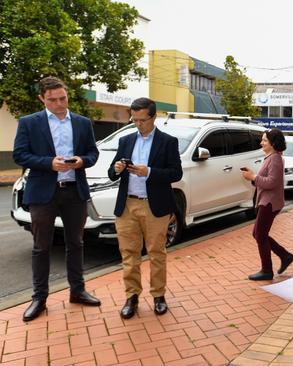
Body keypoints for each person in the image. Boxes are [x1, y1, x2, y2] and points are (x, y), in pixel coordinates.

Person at [13, 76, 101, 322]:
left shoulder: (83, 123)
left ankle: (78, 290)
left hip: (75, 191)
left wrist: (83, 161)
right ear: (42, 98)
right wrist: (48, 163)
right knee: (41, 247)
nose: (60, 103)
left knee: (76, 243)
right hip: (43, 193)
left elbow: (92, 153)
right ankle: (39, 298)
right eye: (53, 100)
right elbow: (20, 154)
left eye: (63, 98)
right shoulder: (29, 123)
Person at [107, 97, 182, 319]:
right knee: (129, 254)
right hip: (128, 205)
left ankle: (159, 296)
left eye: (142, 120)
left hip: (154, 206)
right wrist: (118, 167)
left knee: (156, 253)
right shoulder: (126, 140)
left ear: (153, 117)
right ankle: (132, 297)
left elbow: (176, 173)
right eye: (134, 119)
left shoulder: (168, 142)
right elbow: (112, 173)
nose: (138, 124)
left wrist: (148, 172)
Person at [241, 128, 293, 281]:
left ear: (273, 143)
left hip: (270, 202)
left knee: (260, 235)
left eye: (265, 140)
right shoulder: (271, 157)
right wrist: (253, 177)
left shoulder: (275, 159)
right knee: (259, 234)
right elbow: (265, 179)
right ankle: (285, 256)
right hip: (266, 201)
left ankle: (267, 270)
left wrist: (253, 177)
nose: (261, 143)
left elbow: (272, 182)